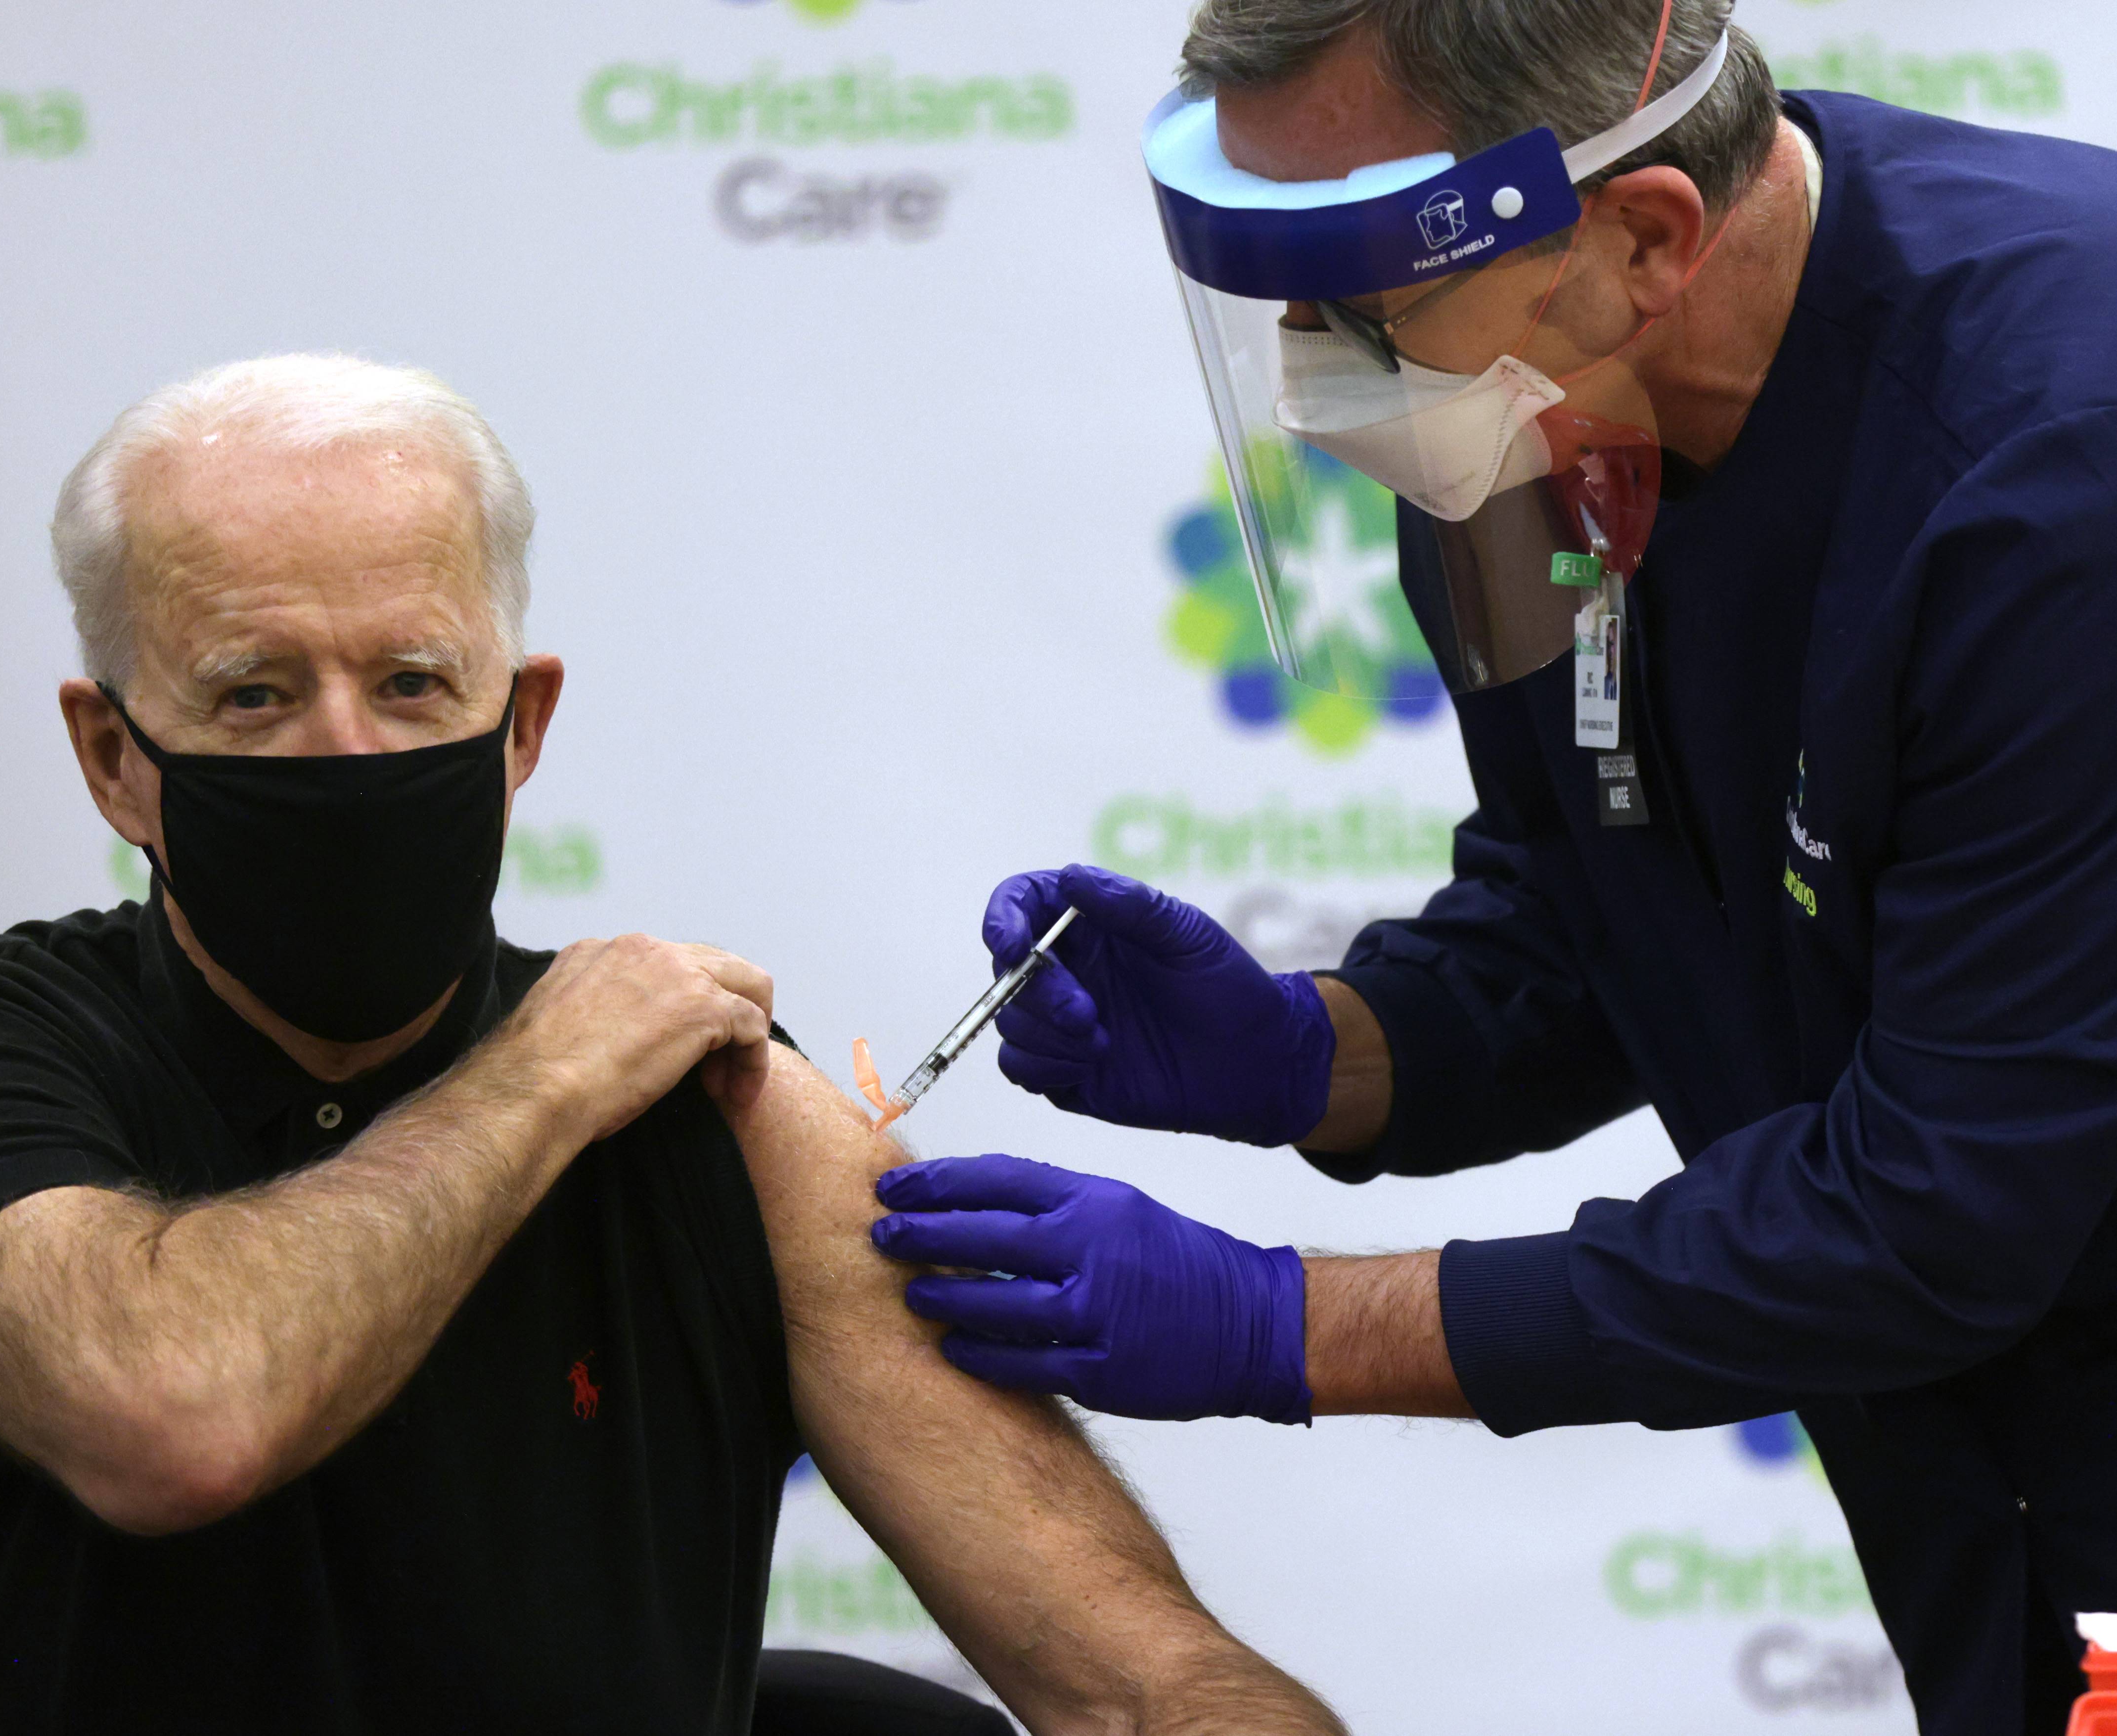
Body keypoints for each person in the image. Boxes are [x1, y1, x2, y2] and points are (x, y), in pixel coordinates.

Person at [0, 355, 1341, 1736]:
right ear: (115, 758)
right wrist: (544, 1076)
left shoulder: (718, 1115)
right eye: (254, 695)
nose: (346, 751)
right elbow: (173, 1416)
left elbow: (1143, 1681)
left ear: (519, 725)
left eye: (410, 684)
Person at [869, 4, 2117, 1734]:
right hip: (1990, 1493)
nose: (1314, 370)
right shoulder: (1534, 400)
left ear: (1645, 239)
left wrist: (1279, 1325)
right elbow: (1603, 898)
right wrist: (1322, 1051)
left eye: (1360, 301)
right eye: (1280, 298)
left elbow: (1934, 1210)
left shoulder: (2054, 481)